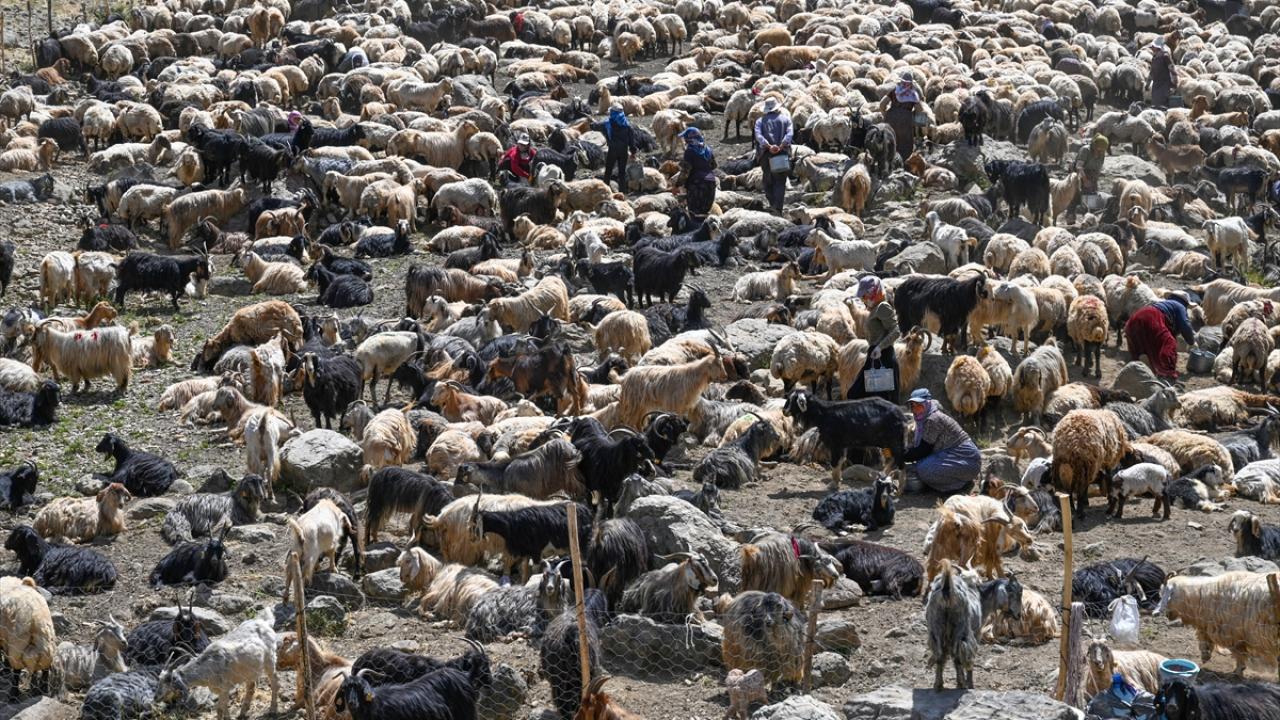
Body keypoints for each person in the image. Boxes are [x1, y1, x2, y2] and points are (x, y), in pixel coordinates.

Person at [902, 388, 982, 495]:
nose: (915, 409)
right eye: (913, 406)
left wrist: (899, 454)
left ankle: (958, 486)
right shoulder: (925, 419)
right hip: (956, 457)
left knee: (924, 469)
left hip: (967, 460)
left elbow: (922, 451)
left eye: (919, 406)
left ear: (927, 404)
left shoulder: (933, 419)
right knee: (920, 464)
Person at [849, 276, 900, 403]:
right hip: (874, 355)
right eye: (863, 297)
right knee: (859, 394)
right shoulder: (874, 309)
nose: (864, 299)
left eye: (865, 296)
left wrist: (880, 347)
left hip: (883, 356)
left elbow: (896, 330)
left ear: (875, 292)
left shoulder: (883, 307)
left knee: (878, 398)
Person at [1124, 294, 1197, 381]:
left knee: (1144, 346)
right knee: (1169, 343)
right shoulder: (1180, 306)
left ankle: (1138, 368)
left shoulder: (1164, 305)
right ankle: (1167, 373)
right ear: (1185, 303)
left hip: (1133, 320)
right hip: (1152, 318)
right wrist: (1191, 341)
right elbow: (1185, 325)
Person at [753, 97, 793, 214]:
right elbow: (790, 134)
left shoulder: (760, 121)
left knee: (768, 180)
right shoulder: (786, 119)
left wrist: (769, 146)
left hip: (766, 154)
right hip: (782, 154)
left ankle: (772, 204)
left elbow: (758, 136)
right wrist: (781, 145)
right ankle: (778, 207)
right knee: (780, 181)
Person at [676, 127, 717, 219]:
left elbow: (685, 172)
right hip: (711, 183)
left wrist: (677, 185)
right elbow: (714, 165)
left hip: (697, 185)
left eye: (685, 138)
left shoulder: (689, 151)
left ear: (688, 139)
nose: (684, 140)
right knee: (705, 212)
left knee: (695, 214)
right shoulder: (707, 149)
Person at [879, 71, 921, 161]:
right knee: (905, 144)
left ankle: (888, 161)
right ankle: (903, 163)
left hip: (891, 118)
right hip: (906, 121)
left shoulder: (895, 91)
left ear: (901, 81)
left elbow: (882, 104)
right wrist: (919, 130)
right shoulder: (913, 94)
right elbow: (920, 110)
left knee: (890, 141)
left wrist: (885, 114)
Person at [594, 104, 635, 193]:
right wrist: (633, 152)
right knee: (622, 173)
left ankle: (605, 190)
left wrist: (592, 123)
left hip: (612, 151)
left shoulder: (607, 123)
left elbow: (595, 126)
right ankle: (622, 192)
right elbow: (632, 141)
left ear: (613, 113)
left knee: (608, 171)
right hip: (623, 151)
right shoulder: (627, 125)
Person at [1148, 36, 1176, 108]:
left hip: (1164, 84)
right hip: (1156, 84)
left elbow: (1172, 70)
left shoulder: (1165, 56)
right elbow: (1152, 71)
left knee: (1163, 105)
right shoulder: (1154, 57)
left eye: (1153, 46)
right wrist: (1148, 83)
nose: (1152, 48)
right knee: (1155, 104)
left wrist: (1174, 83)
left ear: (1157, 47)